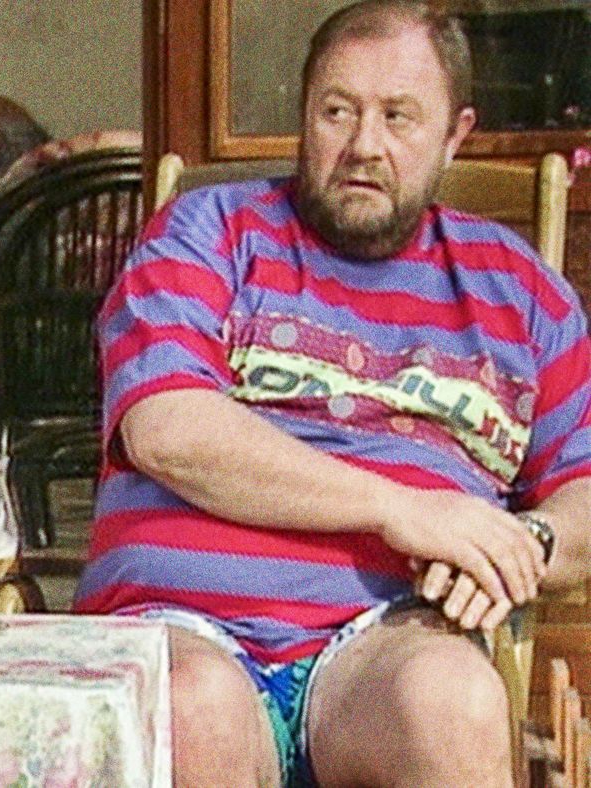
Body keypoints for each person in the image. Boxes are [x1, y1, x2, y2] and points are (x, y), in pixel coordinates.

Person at [76, 1, 591, 786]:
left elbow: (583, 490)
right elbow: (166, 428)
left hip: (393, 636)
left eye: (398, 117)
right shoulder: (207, 232)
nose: (364, 145)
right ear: (304, 117)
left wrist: (520, 544)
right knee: (188, 714)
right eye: (337, 112)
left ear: (455, 134)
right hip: (182, 623)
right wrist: (404, 510)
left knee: (452, 703)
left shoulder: (523, 294)